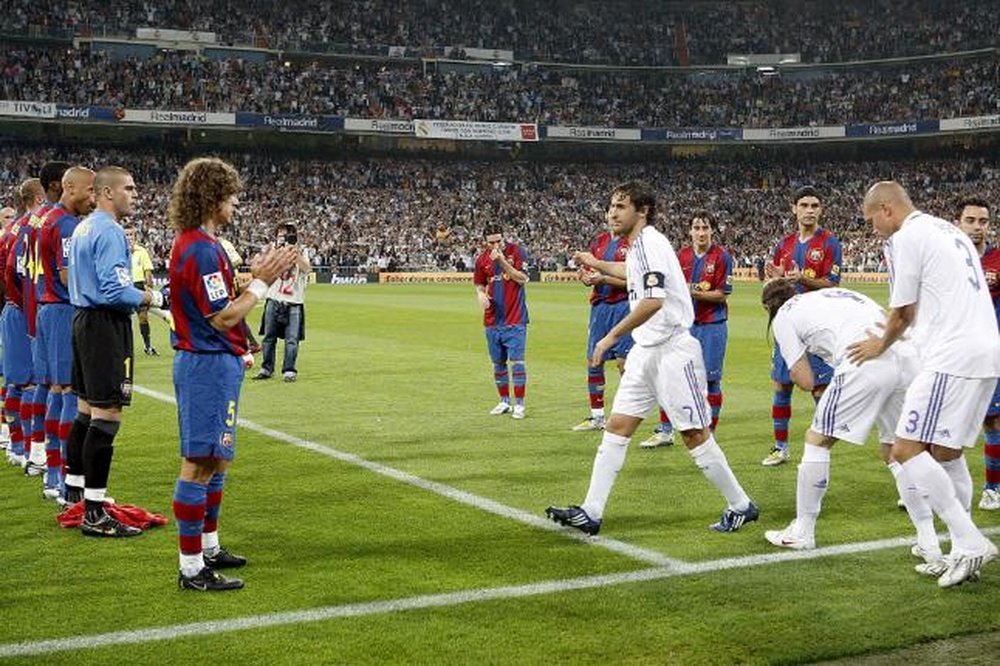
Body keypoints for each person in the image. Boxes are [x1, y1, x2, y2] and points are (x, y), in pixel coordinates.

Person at [546, 182, 758, 535]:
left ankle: (741, 505)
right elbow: (632, 273)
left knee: (693, 433)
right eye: (611, 206)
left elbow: (653, 300)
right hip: (647, 351)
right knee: (617, 427)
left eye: (621, 206)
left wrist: (611, 337)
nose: (613, 213)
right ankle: (591, 511)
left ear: (641, 211)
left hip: (672, 350)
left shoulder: (649, 244)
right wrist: (597, 263)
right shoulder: (643, 245)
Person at [847, 181, 999, 588]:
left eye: (871, 220)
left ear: (886, 209)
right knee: (948, 454)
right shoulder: (949, 231)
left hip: (951, 356)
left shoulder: (908, 237)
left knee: (905, 448)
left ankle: (969, 541)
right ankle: (960, 553)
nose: (873, 228)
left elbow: (903, 312)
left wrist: (880, 345)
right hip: (986, 352)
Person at [167, 157, 297, 591]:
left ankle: (208, 544)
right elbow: (221, 317)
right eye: (232, 195)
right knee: (200, 462)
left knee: (217, 458)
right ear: (212, 196)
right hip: (205, 364)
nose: (237, 203)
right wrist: (261, 282)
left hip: (214, 360)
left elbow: (222, 314)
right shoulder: (201, 250)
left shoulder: (202, 244)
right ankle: (191, 569)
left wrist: (247, 337)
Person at [758, 280, 939, 559]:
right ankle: (929, 541)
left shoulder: (785, 314)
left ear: (768, 307)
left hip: (864, 356)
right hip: (905, 355)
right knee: (897, 452)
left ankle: (802, 532)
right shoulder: (830, 295)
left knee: (817, 440)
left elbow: (804, 379)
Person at [66, 166, 164, 537]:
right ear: (107, 193)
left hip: (82, 323)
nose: (135, 193)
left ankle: (74, 496)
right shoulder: (109, 232)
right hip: (105, 326)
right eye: (129, 187)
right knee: (107, 416)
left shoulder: (84, 227)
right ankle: (94, 512)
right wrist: (154, 297)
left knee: (85, 412)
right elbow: (115, 291)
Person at [761, 186, 842, 467]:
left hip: (818, 326)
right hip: (788, 324)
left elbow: (832, 284)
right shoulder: (783, 244)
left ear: (821, 210)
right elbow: (777, 284)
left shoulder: (830, 243)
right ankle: (780, 447)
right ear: (794, 208)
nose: (809, 210)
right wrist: (777, 280)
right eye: (804, 205)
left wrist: (802, 278)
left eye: (814, 205)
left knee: (820, 389)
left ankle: (822, 446)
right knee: (782, 385)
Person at [641, 211, 733, 448]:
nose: (701, 233)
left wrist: (693, 292)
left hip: (712, 325)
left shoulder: (722, 257)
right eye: (697, 228)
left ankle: (709, 432)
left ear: (712, 230)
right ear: (690, 231)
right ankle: (665, 430)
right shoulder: (680, 256)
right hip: (682, 326)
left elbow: (721, 293)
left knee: (712, 381)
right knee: (669, 377)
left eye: (705, 228)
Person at [35, 166, 95, 501]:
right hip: (62, 309)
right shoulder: (66, 225)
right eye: (88, 190)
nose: (92, 197)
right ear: (68, 187)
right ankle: (63, 482)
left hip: (49, 308)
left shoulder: (49, 218)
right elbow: (67, 274)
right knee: (69, 390)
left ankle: (54, 477)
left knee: (59, 390)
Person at [954, 197, 1000, 511]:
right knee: (945, 421)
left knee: (992, 422)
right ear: (958, 222)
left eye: (982, 221)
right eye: (970, 220)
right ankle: (934, 489)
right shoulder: (949, 257)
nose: (977, 227)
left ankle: (993, 488)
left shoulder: (998, 259)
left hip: (989, 354)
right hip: (953, 353)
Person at [571, 207, 631, 432]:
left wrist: (604, 277)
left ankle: (626, 414)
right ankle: (597, 417)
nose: (614, 216)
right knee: (594, 360)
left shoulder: (631, 243)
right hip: (600, 308)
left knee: (624, 364)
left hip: (624, 307)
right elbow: (589, 272)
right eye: (611, 213)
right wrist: (586, 277)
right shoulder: (599, 242)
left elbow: (636, 281)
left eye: (619, 212)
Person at [2, 179, 44, 468]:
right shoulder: (32, 226)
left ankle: (17, 445)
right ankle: (31, 449)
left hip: (13, 308)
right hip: (24, 311)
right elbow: (12, 272)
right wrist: (25, 303)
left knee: (17, 381)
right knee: (34, 384)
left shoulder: (12, 229)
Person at [473, 224, 530, 419]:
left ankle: (520, 405)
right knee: (498, 363)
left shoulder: (516, 252)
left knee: (517, 362)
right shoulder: (481, 259)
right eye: (492, 242)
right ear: (485, 242)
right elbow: (480, 284)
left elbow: (522, 278)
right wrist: (480, 295)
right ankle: (504, 401)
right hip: (492, 319)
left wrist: (503, 262)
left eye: (499, 240)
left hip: (515, 318)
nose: (496, 245)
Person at [252, 223, 311, 382]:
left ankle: (289, 370)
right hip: (274, 298)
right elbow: (262, 269)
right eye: (280, 235)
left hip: (294, 301)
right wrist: (276, 251)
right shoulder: (272, 250)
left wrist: (294, 253)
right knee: (269, 337)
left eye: (286, 235)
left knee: (292, 340)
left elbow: (307, 269)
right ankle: (266, 368)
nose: (283, 238)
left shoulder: (302, 250)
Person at [125, 225, 173, 355]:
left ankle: (147, 346)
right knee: (124, 319)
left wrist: (149, 285)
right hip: (124, 287)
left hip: (139, 286)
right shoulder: (118, 251)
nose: (129, 238)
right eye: (127, 235)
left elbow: (148, 271)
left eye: (131, 235)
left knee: (143, 317)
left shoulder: (141, 252)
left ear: (135, 237)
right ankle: (125, 347)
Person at [218, 234, 261, 354]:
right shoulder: (221, 242)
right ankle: (250, 343)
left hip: (228, 280)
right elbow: (238, 260)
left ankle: (246, 344)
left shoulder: (218, 243)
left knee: (230, 314)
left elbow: (236, 261)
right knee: (234, 315)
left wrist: (224, 267)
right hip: (229, 278)